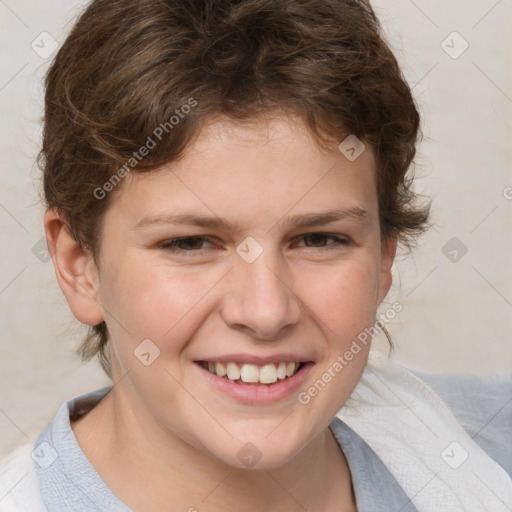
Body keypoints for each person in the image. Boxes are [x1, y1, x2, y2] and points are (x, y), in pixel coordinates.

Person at [0, 0, 511, 510]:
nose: (266, 312)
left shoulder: (490, 445)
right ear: (79, 266)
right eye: (190, 243)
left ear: (383, 260)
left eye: (319, 239)